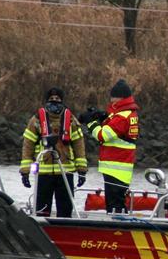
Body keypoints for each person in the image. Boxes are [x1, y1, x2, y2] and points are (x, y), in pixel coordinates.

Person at [20, 87, 87, 217]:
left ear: (62, 101)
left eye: (57, 99)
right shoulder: (36, 120)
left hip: (65, 172)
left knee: (65, 210)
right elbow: (28, 146)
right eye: (51, 99)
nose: (54, 102)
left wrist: (82, 170)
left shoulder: (71, 120)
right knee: (41, 211)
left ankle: (64, 233)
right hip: (43, 172)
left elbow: (79, 145)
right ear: (46, 101)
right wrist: (25, 171)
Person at [80, 79, 140, 213]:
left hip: (116, 165)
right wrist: (102, 116)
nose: (111, 101)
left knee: (114, 204)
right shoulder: (128, 113)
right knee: (117, 201)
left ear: (120, 98)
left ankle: (118, 229)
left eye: (113, 98)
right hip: (120, 165)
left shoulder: (122, 116)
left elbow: (102, 135)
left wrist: (90, 122)